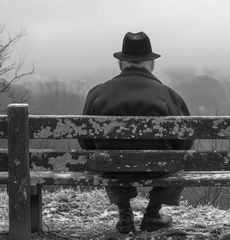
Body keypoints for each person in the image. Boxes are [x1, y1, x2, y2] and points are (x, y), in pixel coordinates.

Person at [78, 32, 193, 233]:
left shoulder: (97, 93)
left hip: (112, 166)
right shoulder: (168, 95)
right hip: (157, 167)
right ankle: (153, 214)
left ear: (121, 62)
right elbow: (185, 142)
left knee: (105, 158)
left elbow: (85, 141)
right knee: (182, 159)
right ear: (151, 62)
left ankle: (125, 216)